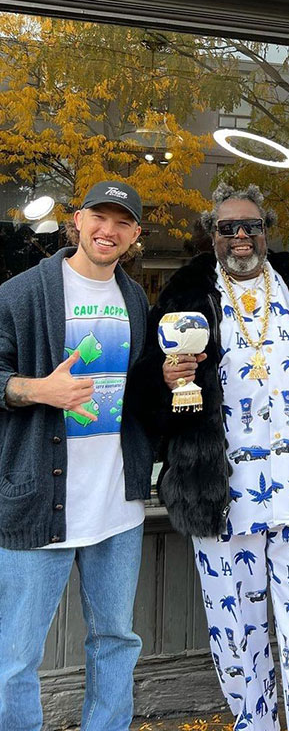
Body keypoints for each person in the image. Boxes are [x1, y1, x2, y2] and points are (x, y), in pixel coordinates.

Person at [131, 182, 289, 731]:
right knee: (236, 636)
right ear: (212, 236)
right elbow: (148, 397)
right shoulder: (183, 296)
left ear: (266, 232)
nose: (241, 237)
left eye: (252, 226)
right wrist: (163, 380)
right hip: (220, 497)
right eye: (228, 228)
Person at [0, 180, 152, 731]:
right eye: (99, 218)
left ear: (135, 235)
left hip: (117, 507)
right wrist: (39, 390)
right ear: (78, 220)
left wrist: (168, 377)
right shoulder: (22, 293)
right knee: (16, 655)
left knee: (116, 639)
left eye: (122, 223)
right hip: (40, 501)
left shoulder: (135, 299)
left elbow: (137, 394)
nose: (108, 231)